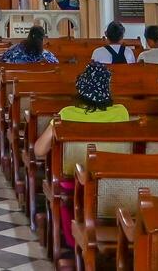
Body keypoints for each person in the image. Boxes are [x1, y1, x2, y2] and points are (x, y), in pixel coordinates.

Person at [30, 62, 130, 251]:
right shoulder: (121, 112)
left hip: (74, 181)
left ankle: (73, 241)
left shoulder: (67, 114)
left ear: (81, 89)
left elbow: (39, 150)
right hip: (112, 178)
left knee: (68, 190)